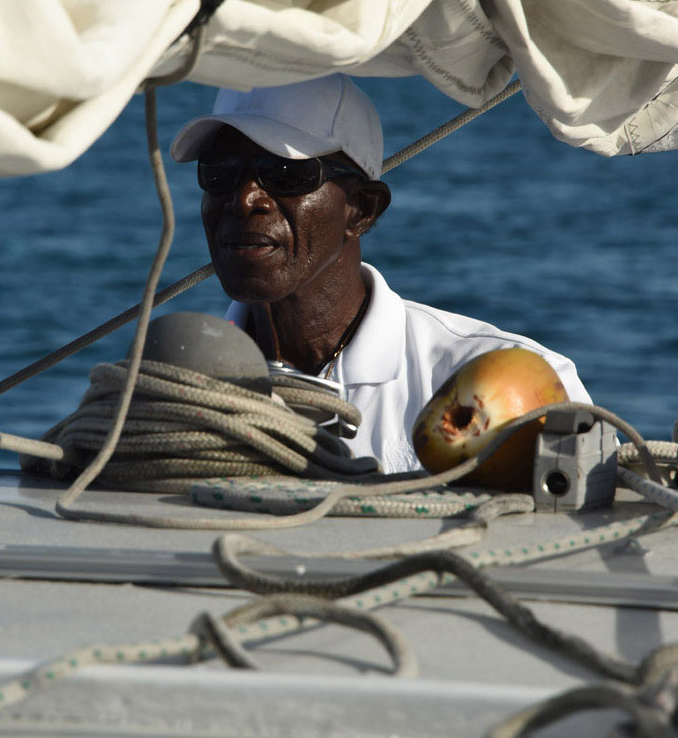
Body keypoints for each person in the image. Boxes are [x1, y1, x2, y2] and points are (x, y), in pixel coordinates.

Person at [170, 75, 590, 473]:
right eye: (219, 174)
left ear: (363, 211)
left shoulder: (517, 384)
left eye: (287, 175)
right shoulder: (164, 390)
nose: (244, 200)